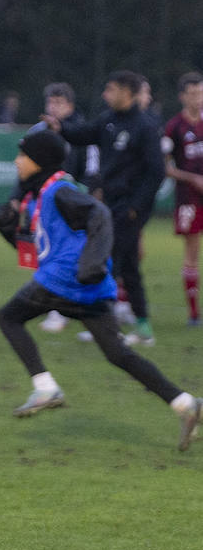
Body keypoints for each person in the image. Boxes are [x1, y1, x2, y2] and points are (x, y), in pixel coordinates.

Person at [0, 129, 200, 449]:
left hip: (67, 280)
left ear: (38, 161)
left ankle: (45, 387)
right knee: (117, 353)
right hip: (84, 285)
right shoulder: (43, 190)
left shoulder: (59, 189)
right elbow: (40, 246)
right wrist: (8, 229)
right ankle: (185, 404)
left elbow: (99, 214)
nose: (17, 161)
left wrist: (91, 263)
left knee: (8, 318)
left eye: (22, 155)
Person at [45, 71, 165, 345]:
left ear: (128, 92)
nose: (105, 94)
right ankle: (143, 327)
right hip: (110, 203)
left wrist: (137, 206)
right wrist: (59, 128)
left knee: (109, 261)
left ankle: (105, 325)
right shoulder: (108, 121)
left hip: (129, 208)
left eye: (111, 89)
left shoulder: (144, 127)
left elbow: (156, 172)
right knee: (129, 265)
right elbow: (82, 134)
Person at [36, 83, 92, 334]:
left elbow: (91, 166)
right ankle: (57, 310)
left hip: (76, 200)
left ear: (70, 105)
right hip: (49, 202)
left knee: (77, 256)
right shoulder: (39, 131)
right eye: (50, 102)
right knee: (51, 253)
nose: (53, 108)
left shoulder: (83, 131)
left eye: (59, 102)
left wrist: (86, 193)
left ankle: (81, 310)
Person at [162, 73, 203, 328]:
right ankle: (193, 313)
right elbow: (165, 167)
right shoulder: (174, 126)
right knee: (192, 251)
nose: (198, 98)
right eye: (193, 93)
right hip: (189, 198)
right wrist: (192, 178)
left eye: (201, 93)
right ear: (182, 96)